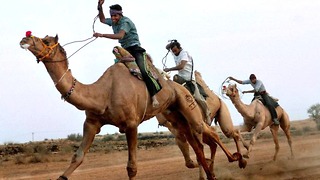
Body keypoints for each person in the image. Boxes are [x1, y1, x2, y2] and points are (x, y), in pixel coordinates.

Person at [93, 1, 161, 107]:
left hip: (135, 48)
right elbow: (102, 19)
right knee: (116, 69)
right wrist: (100, 7)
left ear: (120, 14)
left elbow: (120, 35)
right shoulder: (114, 22)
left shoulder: (125, 22)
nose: (113, 18)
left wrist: (102, 35)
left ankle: (154, 96)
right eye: (112, 16)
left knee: (143, 70)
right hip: (124, 50)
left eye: (115, 15)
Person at [163, 40, 211, 124]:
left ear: (179, 48)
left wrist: (169, 69)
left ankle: (207, 113)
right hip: (180, 77)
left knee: (198, 97)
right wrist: (171, 43)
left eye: (175, 50)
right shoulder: (175, 53)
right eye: (172, 51)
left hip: (189, 79)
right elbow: (167, 47)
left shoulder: (184, 54)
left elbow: (181, 66)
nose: (174, 52)